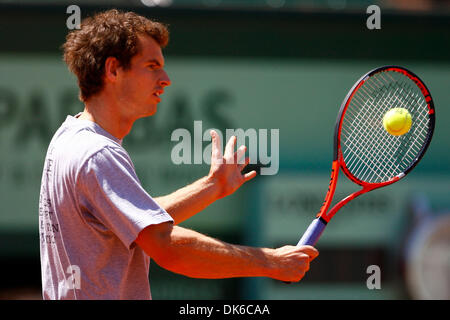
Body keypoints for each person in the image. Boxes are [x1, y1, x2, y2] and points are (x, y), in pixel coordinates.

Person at [38, 9, 318, 300]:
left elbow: (136, 221)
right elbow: (165, 245)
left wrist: (212, 187)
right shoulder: (98, 154)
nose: (166, 79)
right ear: (113, 70)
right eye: (152, 66)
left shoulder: (67, 138)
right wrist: (271, 261)